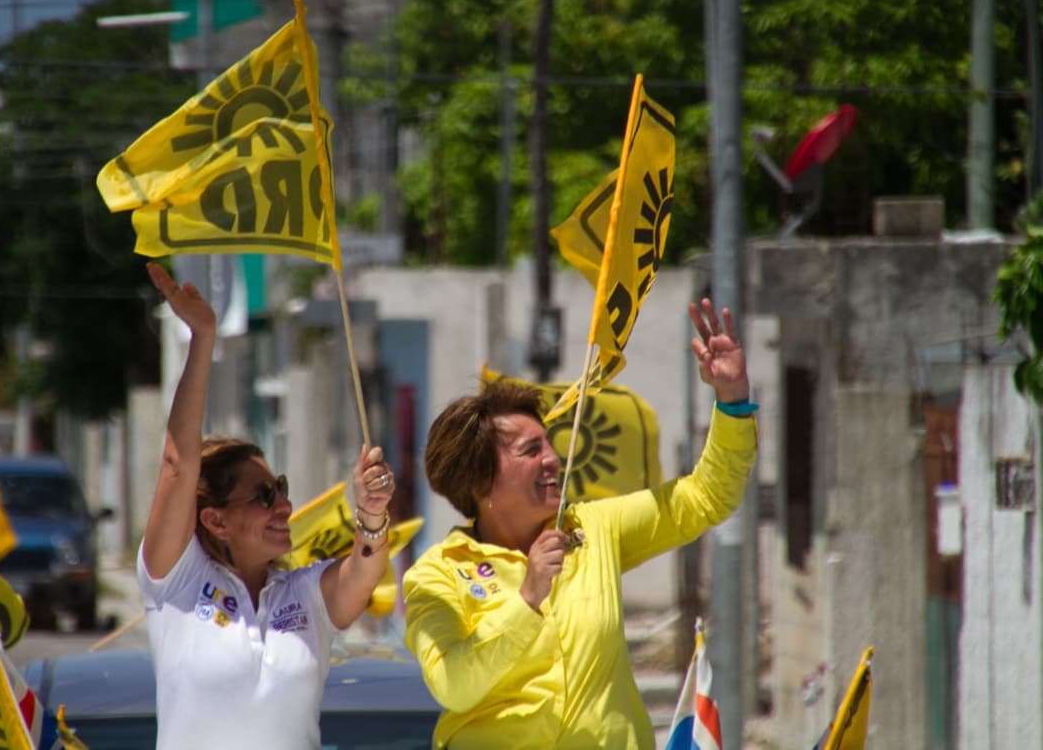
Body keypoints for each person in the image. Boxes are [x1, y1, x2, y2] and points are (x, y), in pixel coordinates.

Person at [403, 298, 758, 749]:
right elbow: (453, 685)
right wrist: (528, 598)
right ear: (481, 480)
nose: (553, 458)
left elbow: (705, 498)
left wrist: (731, 400)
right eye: (531, 451)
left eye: (549, 444)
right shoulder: (435, 574)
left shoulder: (593, 528)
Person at [137, 262, 396, 750]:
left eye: (280, 487)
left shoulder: (304, 595)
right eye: (263, 496)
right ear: (215, 519)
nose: (285, 505)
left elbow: (363, 573)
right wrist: (203, 339)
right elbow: (177, 465)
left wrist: (373, 511)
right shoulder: (177, 582)